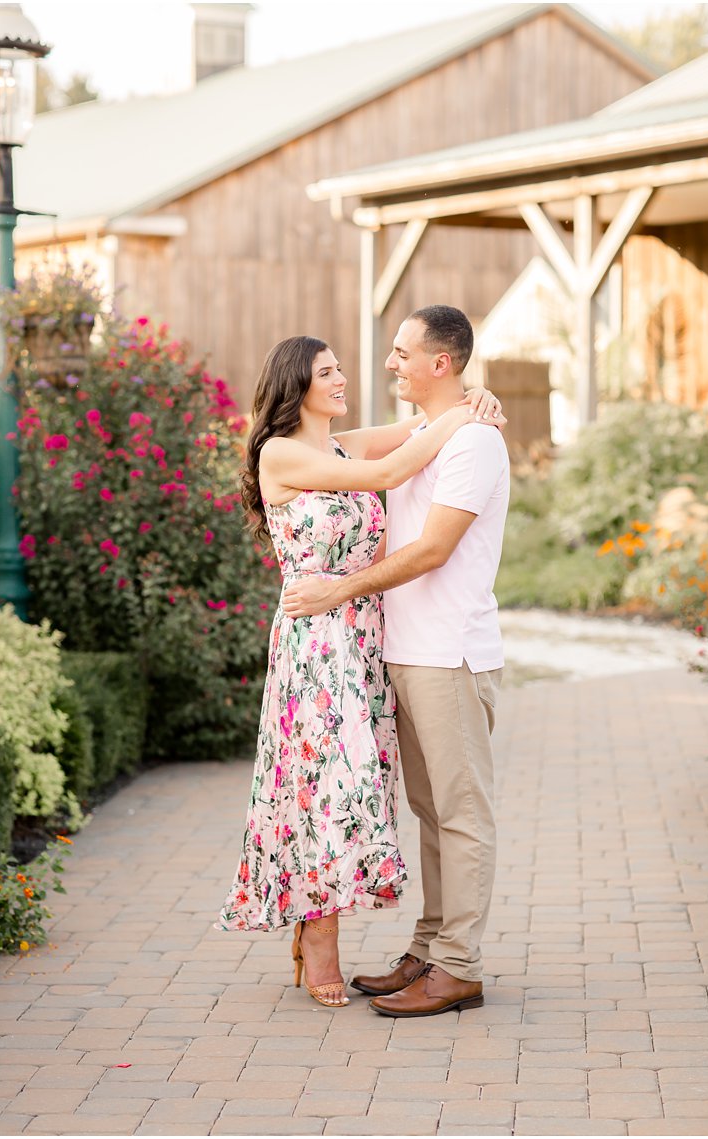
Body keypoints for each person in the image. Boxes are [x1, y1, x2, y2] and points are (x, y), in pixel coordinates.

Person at [216, 333, 501, 1009]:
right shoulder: (282, 452)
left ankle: (333, 925)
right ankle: (320, 944)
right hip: (316, 643)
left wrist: (470, 399)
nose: (343, 377)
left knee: (360, 791)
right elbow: (388, 473)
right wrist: (459, 418)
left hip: (363, 639)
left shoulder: (341, 444)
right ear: (296, 385)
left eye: (340, 367)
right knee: (328, 791)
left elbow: (415, 431)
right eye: (327, 371)